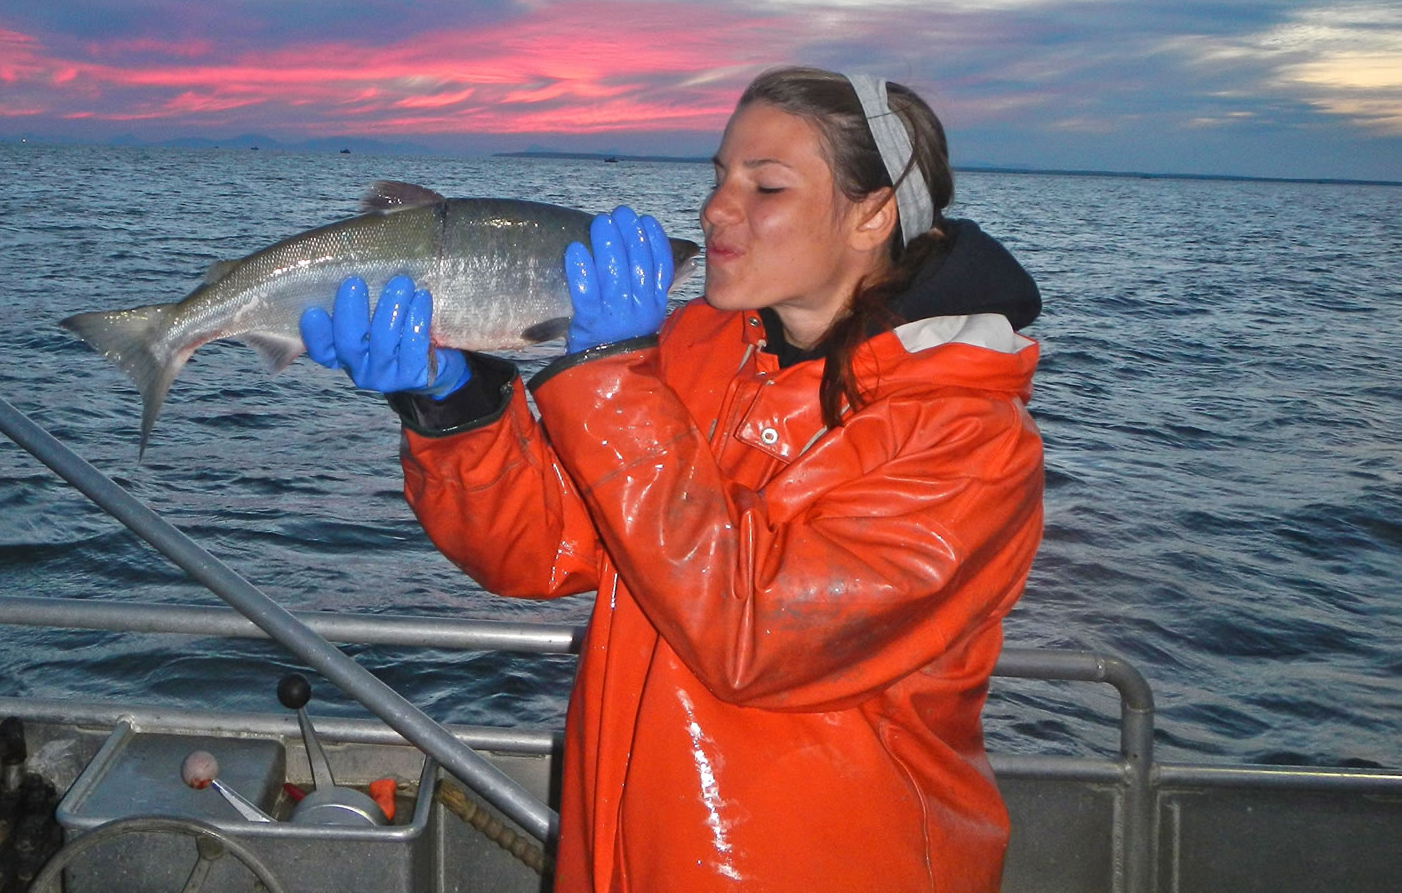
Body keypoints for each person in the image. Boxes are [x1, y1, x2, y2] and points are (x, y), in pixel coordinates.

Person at [301, 65, 1043, 893]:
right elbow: (542, 549)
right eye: (718, 176)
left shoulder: (968, 438)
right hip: (622, 853)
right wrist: (455, 404)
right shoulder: (693, 350)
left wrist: (610, 378)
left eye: (765, 186)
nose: (717, 209)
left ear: (872, 214)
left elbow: (756, 636)